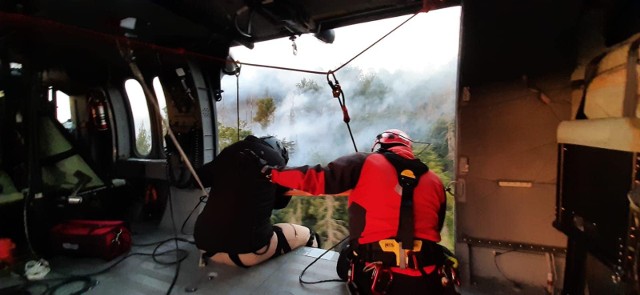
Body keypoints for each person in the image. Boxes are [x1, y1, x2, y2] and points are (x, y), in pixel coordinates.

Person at [259, 129, 459, 294]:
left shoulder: (366, 161)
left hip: (378, 277)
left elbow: (317, 178)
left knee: (347, 252)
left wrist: (272, 173)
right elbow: (436, 226)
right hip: (430, 277)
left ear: (380, 146)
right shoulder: (435, 181)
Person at [193, 135, 320, 268]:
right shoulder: (277, 162)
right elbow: (280, 204)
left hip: (204, 245)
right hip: (246, 252)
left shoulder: (229, 151)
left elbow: (198, 179)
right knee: (308, 235)